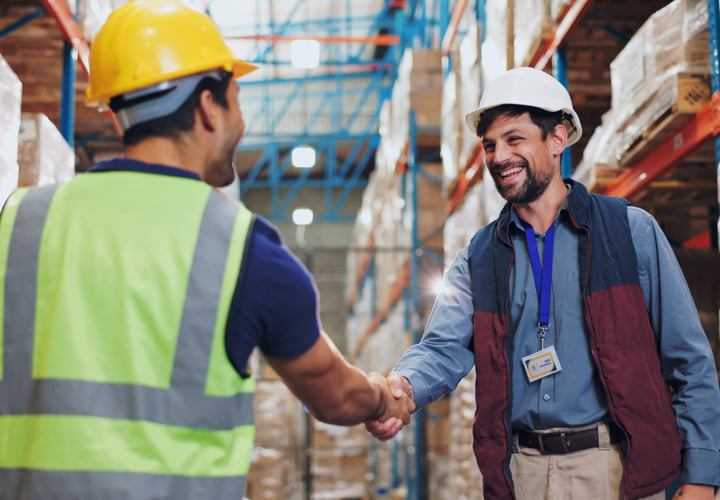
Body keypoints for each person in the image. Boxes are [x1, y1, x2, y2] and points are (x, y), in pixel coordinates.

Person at [0, 1, 410, 498]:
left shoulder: (20, 219)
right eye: (236, 99)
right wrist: (381, 396)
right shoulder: (245, 250)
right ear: (206, 108)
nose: (241, 121)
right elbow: (336, 397)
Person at [366, 66, 720, 500]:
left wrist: (702, 474)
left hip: (617, 466)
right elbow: (441, 349)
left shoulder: (629, 232)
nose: (499, 156)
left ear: (557, 140)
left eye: (515, 139)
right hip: (522, 473)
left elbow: (688, 359)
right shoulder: (478, 258)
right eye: (490, 145)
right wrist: (401, 388)